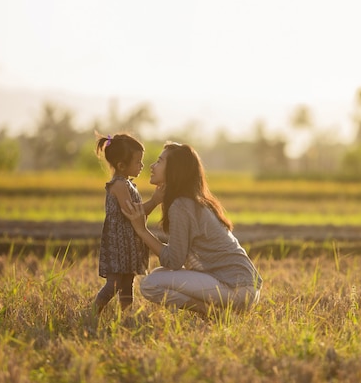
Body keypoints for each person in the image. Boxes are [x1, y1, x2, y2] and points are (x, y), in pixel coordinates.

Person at [123, 141, 262, 316]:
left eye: (159, 161)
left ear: (174, 170)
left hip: (235, 288)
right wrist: (156, 202)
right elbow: (177, 260)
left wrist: (141, 230)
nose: (152, 166)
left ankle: (210, 313)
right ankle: (218, 311)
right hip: (244, 289)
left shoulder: (181, 206)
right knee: (158, 275)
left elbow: (173, 261)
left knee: (151, 284)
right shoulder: (190, 202)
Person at [92, 133, 164, 315]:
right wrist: (155, 201)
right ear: (122, 166)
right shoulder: (118, 185)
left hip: (128, 243)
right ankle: (92, 312)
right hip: (119, 244)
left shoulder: (128, 184)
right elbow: (134, 214)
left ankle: (127, 316)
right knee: (115, 282)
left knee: (127, 282)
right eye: (137, 162)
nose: (142, 165)